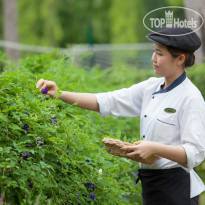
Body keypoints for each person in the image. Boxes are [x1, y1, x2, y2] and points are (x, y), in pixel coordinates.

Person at [36, 27, 205, 205]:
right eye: (154, 52)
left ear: (180, 58)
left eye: (159, 54)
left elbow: (195, 152)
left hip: (177, 190)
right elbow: (105, 101)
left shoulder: (190, 98)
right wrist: (59, 93)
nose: (153, 59)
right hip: (152, 185)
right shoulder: (151, 87)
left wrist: (154, 148)